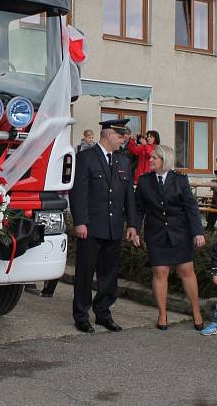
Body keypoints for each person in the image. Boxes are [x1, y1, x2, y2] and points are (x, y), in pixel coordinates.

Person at [70, 119, 139, 334]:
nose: (122, 141)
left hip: (113, 227)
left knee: (109, 274)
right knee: (85, 272)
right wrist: (80, 221)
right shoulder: (86, 157)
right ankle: (81, 315)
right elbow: (78, 192)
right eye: (120, 137)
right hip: (91, 227)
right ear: (108, 135)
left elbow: (129, 195)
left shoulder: (123, 161)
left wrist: (132, 224)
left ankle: (103, 313)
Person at [134, 144, 205, 331]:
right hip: (156, 234)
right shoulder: (144, 181)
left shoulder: (180, 180)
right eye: (150, 157)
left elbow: (191, 207)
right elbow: (138, 208)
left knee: (186, 271)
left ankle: (197, 312)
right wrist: (134, 228)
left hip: (180, 233)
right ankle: (162, 314)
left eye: (154, 158)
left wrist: (198, 231)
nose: (150, 160)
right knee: (160, 272)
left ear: (164, 160)